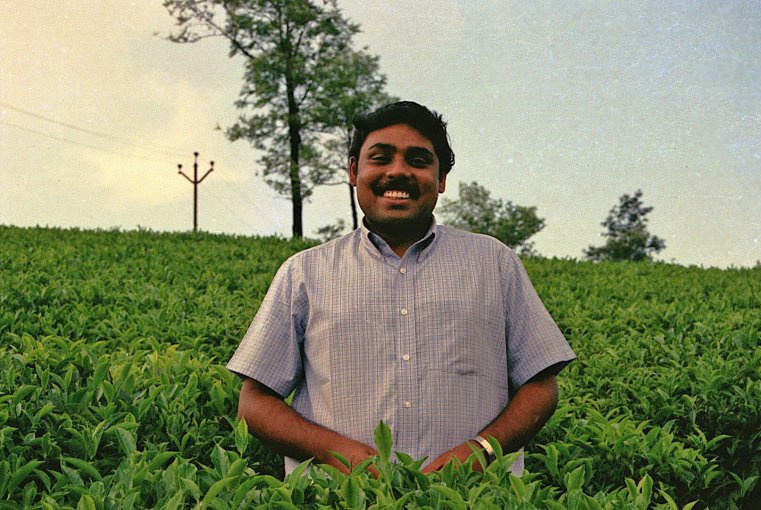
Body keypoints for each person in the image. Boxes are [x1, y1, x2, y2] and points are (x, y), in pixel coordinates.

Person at [227, 101, 576, 477]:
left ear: (441, 179)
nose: (398, 171)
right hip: (337, 500)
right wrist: (338, 454)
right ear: (353, 171)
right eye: (380, 158)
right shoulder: (304, 272)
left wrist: (483, 450)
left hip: (476, 498)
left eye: (418, 160)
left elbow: (540, 384)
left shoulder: (495, 262)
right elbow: (256, 401)